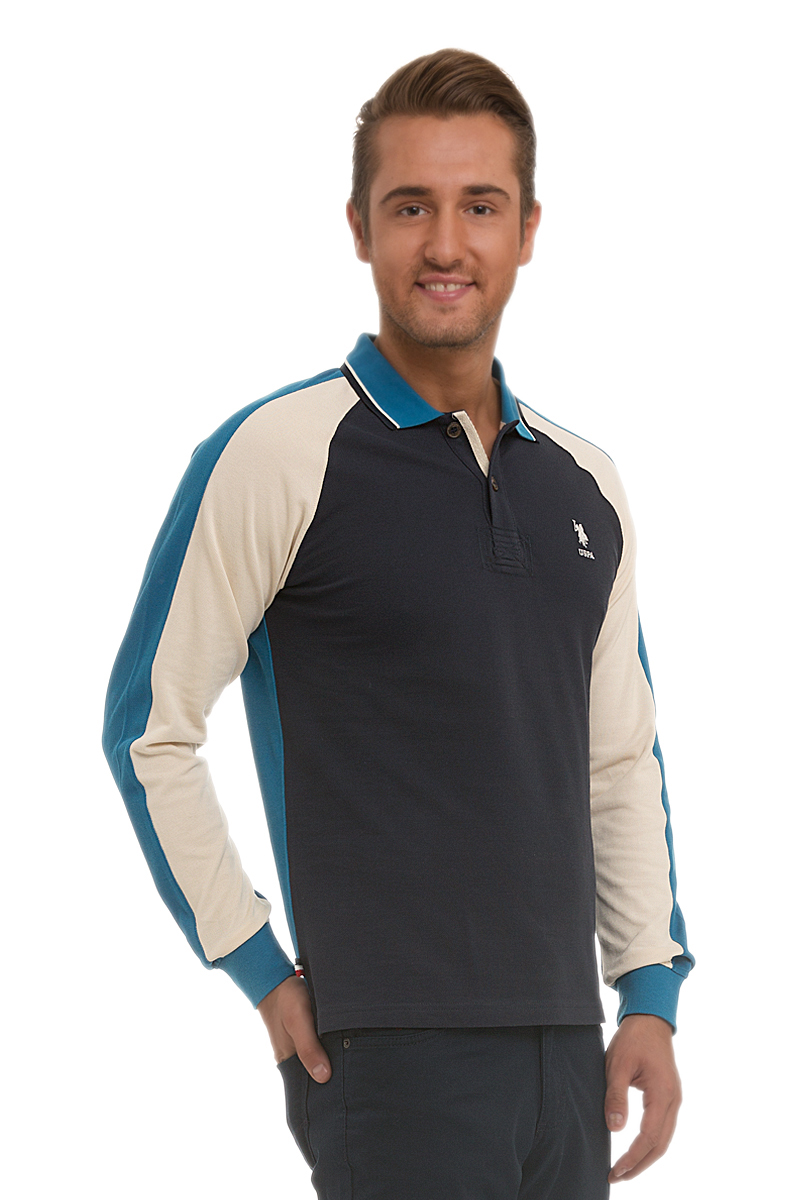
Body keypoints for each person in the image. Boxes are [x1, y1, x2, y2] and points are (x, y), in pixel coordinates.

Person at [103, 48, 693, 1199]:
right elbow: (148, 729)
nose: (444, 244)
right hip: (387, 1053)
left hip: (567, 1054)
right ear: (360, 228)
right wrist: (256, 966)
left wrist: (647, 993)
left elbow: (617, 757)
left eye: (480, 206)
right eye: (410, 206)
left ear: (526, 229)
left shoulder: (584, 484)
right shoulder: (279, 454)